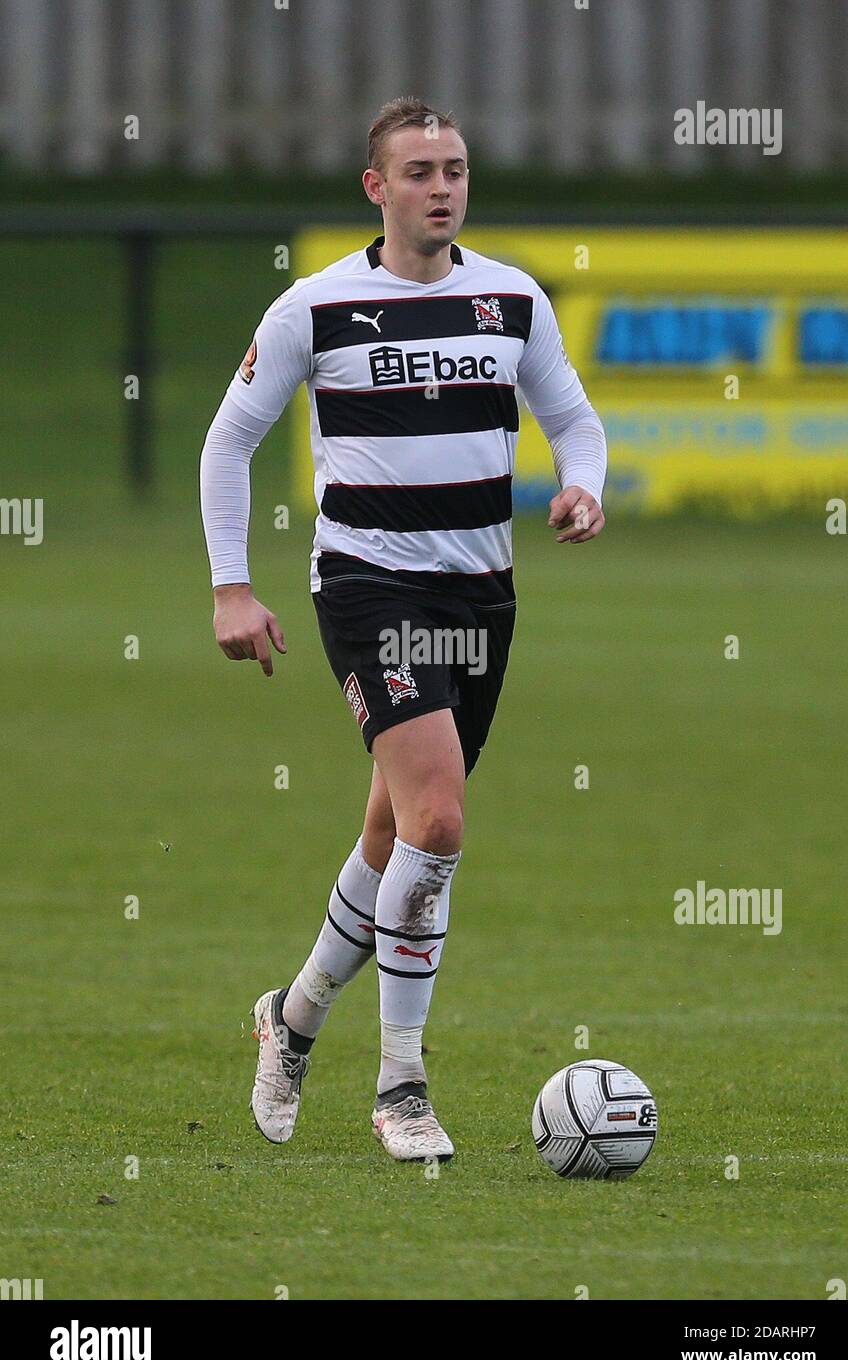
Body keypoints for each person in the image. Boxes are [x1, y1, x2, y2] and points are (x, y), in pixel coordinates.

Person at [200, 96, 607, 1162]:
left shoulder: (510, 299)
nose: (441, 187)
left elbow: (569, 415)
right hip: (368, 589)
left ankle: (289, 1020)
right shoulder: (316, 308)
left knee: (392, 835)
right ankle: (401, 1085)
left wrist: (582, 485)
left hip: (481, 597)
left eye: (455, 168)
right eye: (418, 170)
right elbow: (226, 444)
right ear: (375, 189)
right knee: (437, 822)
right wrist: (229, 589)